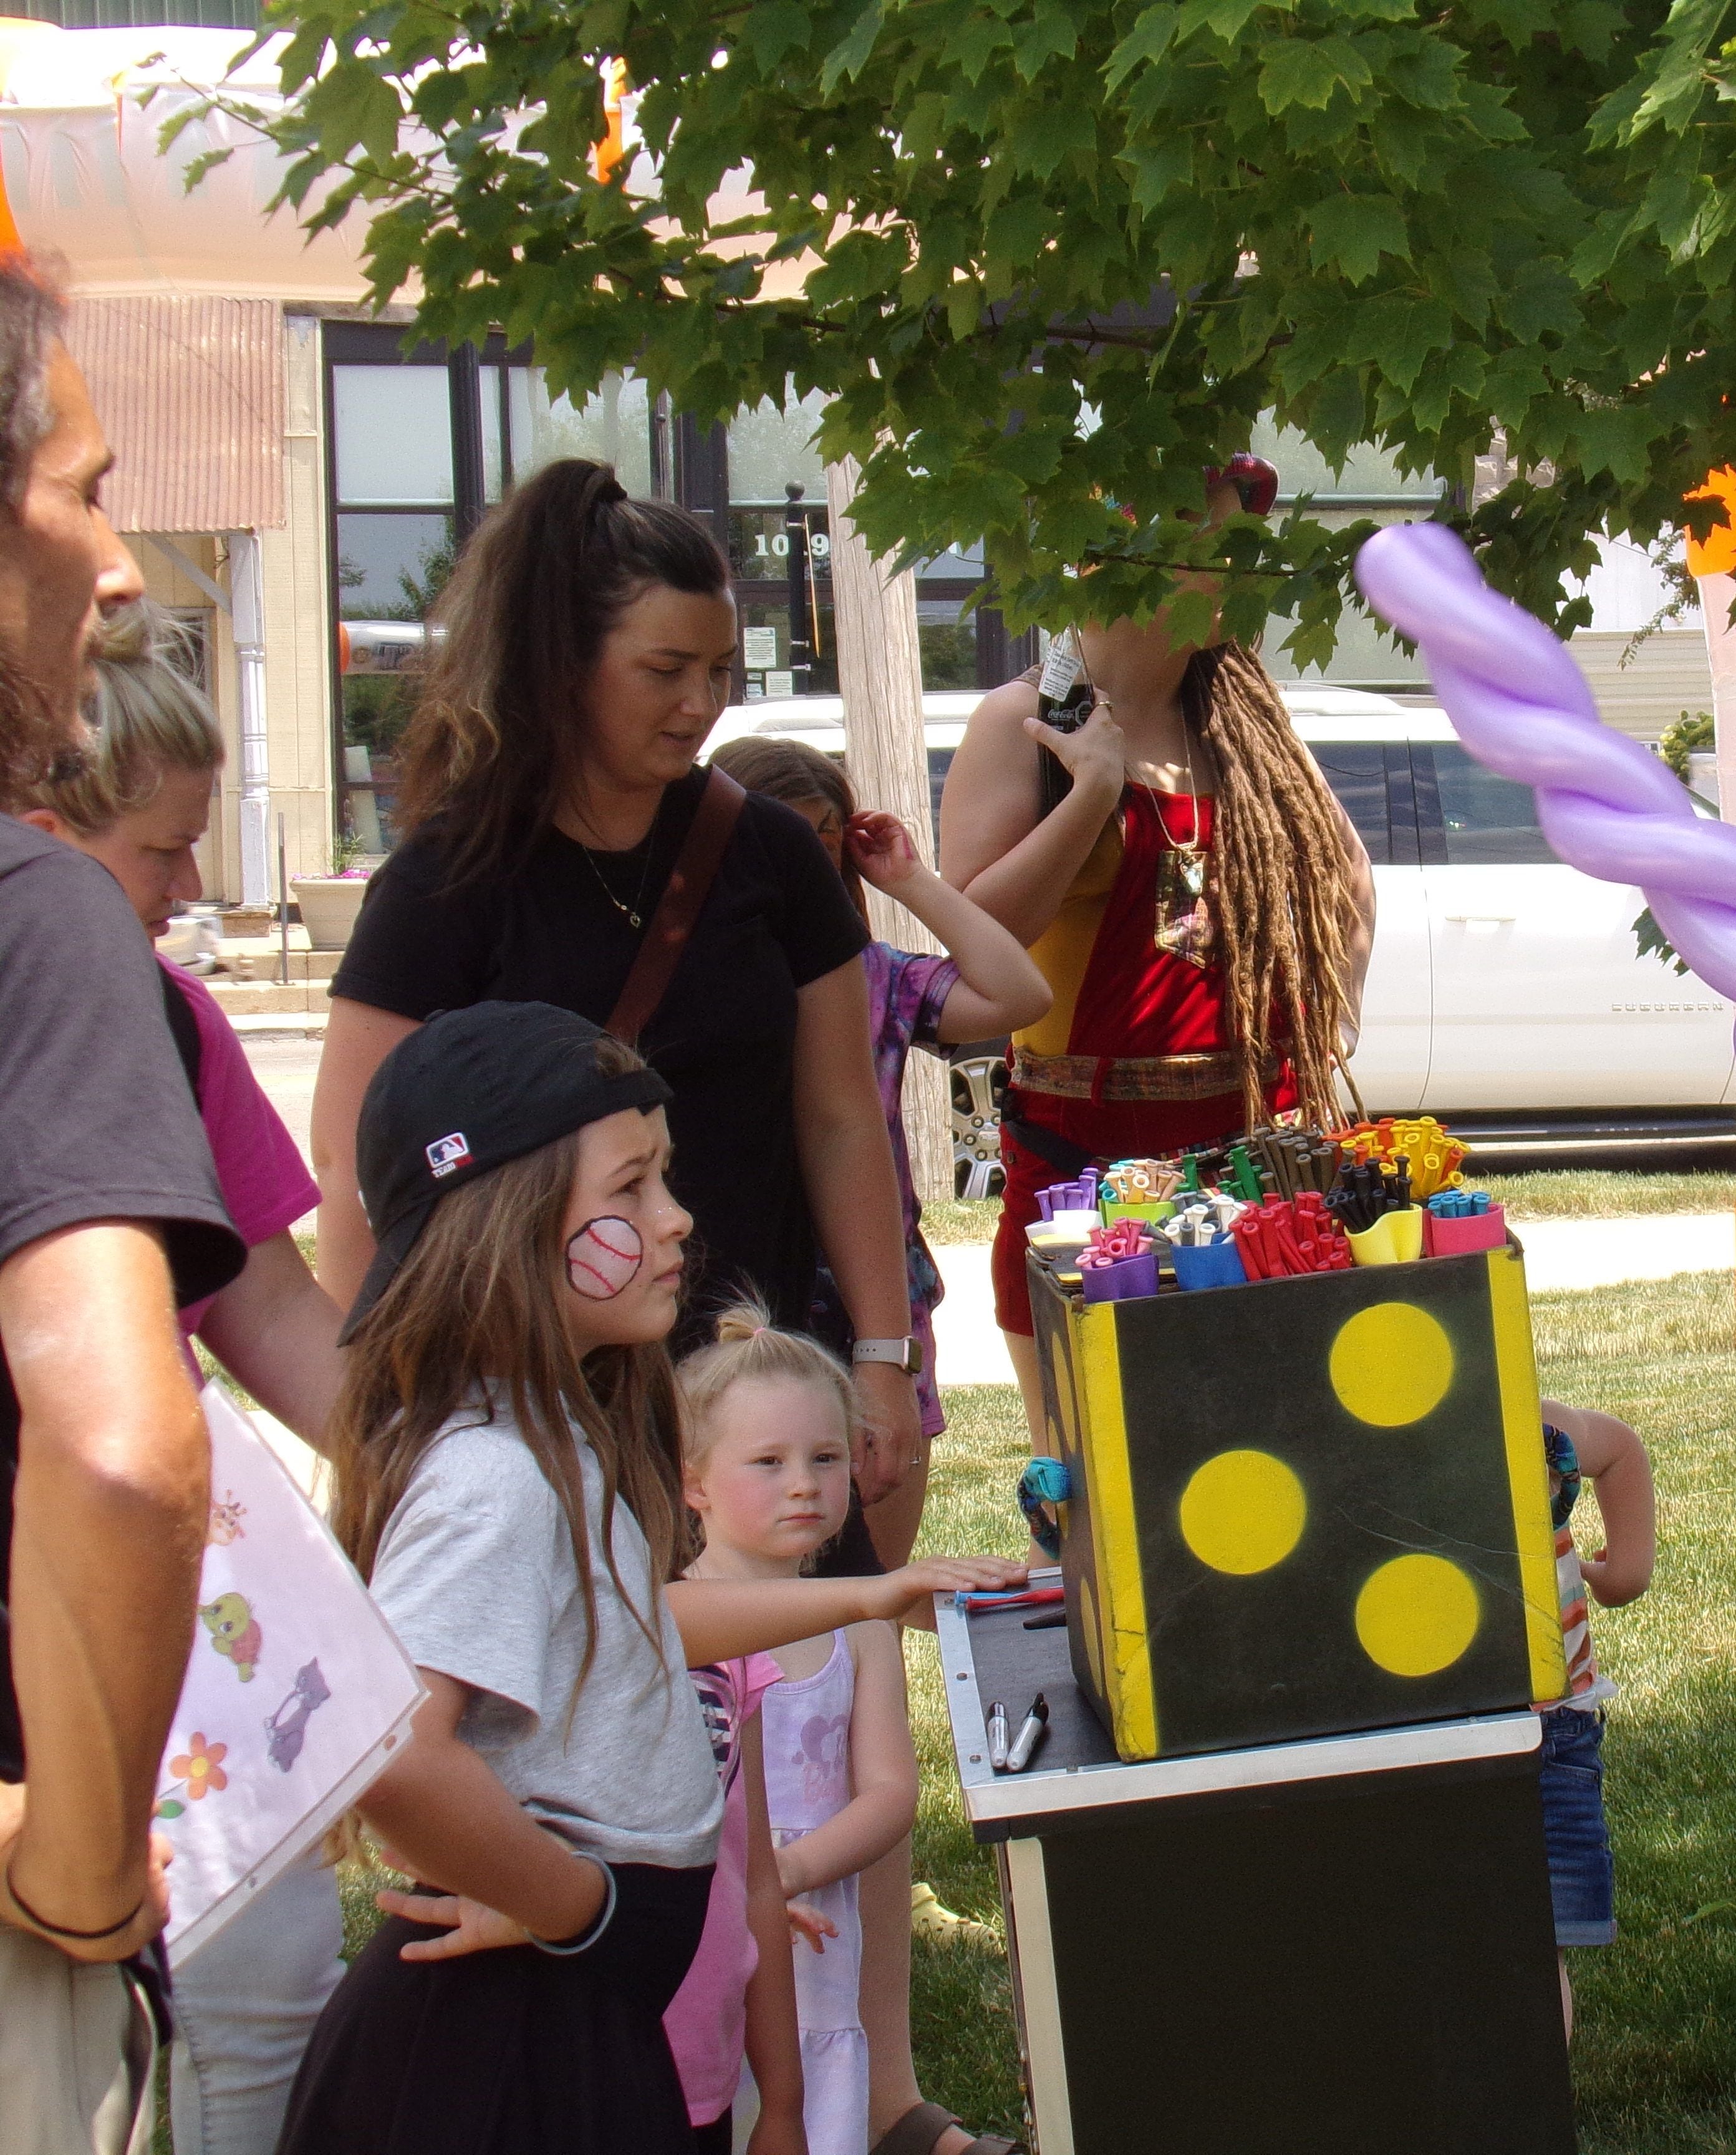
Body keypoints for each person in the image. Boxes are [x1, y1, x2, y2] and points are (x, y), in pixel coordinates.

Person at [277, 1002, 1020, 2154]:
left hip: (574, 2012)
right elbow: (397, 1748)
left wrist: (869, 1594)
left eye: (663, 1181)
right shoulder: (494, 1475)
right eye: (628, 1189)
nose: (675, 1220)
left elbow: (634, 1627)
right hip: (508, 2049)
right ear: (509, 1221)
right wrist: (577, 1907)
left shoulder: (549, 1443)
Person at [312, 458, 925, 1572]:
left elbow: (842, 1121)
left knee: (794, 1712)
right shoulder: (453, 873)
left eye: (719, 670)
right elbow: (361, 1160)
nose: (700, 705)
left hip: (748, 1405)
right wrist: (391, 1406)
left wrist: (880, 1355)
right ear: (565, 668)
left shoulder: (773, 854)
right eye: (664, 669)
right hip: (537, 1414)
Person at [19, 599, 349, 2154]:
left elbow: (265, 1301)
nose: (194, 886)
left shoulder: (168, 1009)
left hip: (177, 1612)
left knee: (265, 1962)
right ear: (41, 827)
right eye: (161, 853)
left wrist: (484, 1452)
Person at [0, 258, 246, 2154]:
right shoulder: (37, 912)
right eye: (83, 488)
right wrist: (83, 1877)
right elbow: (117, 1449)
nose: (120, 565)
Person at [934, 463, 1374, 1435]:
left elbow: (1350, 891)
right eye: (1225, 548)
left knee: (1283, 1452)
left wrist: (1309, 1050)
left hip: (1261, 1160)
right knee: (1103, 1486)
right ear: (1124, 549)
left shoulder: (1248, 726)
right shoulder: (1022, 726)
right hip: (1082, 1178)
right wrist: (1091, 795)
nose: (1248, 573)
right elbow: (973, 940)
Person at [675, 1306, 1021, 2155]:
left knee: (814, 2103)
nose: (804, 1483)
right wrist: (746, 1887)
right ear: (693, 1482)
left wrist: (788, 1871)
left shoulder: (860, 1631)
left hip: (816, 1936)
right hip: (702, 1937)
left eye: (825, 1458)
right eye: (769, 1462)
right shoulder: (672, 1623)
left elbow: (891, 1795)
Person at [707, 733, 1051, 1560]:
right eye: (778, 838)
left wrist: (909, 878)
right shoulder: (698, 976)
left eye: (824, 844)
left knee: (868, 1577)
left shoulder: (874, 976)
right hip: (736, 1305)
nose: (801, 868)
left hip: (874, 1312)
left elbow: (1018, 991)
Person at [1535, 1399, 1654, 2039]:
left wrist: (1623, 1573)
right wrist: (1626, 1571)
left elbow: (1618, 1448)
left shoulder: (1532, 1427)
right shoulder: (1532, 1422)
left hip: (1541, 1733)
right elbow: (1621, 1447)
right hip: (1532, 1732)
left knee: (1524, 1946)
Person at [659, 1642, 807, 2155]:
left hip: (703, 2072)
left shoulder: (730, 1649)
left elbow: (756, 1878)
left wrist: (784, 2103)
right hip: (573, 2068)